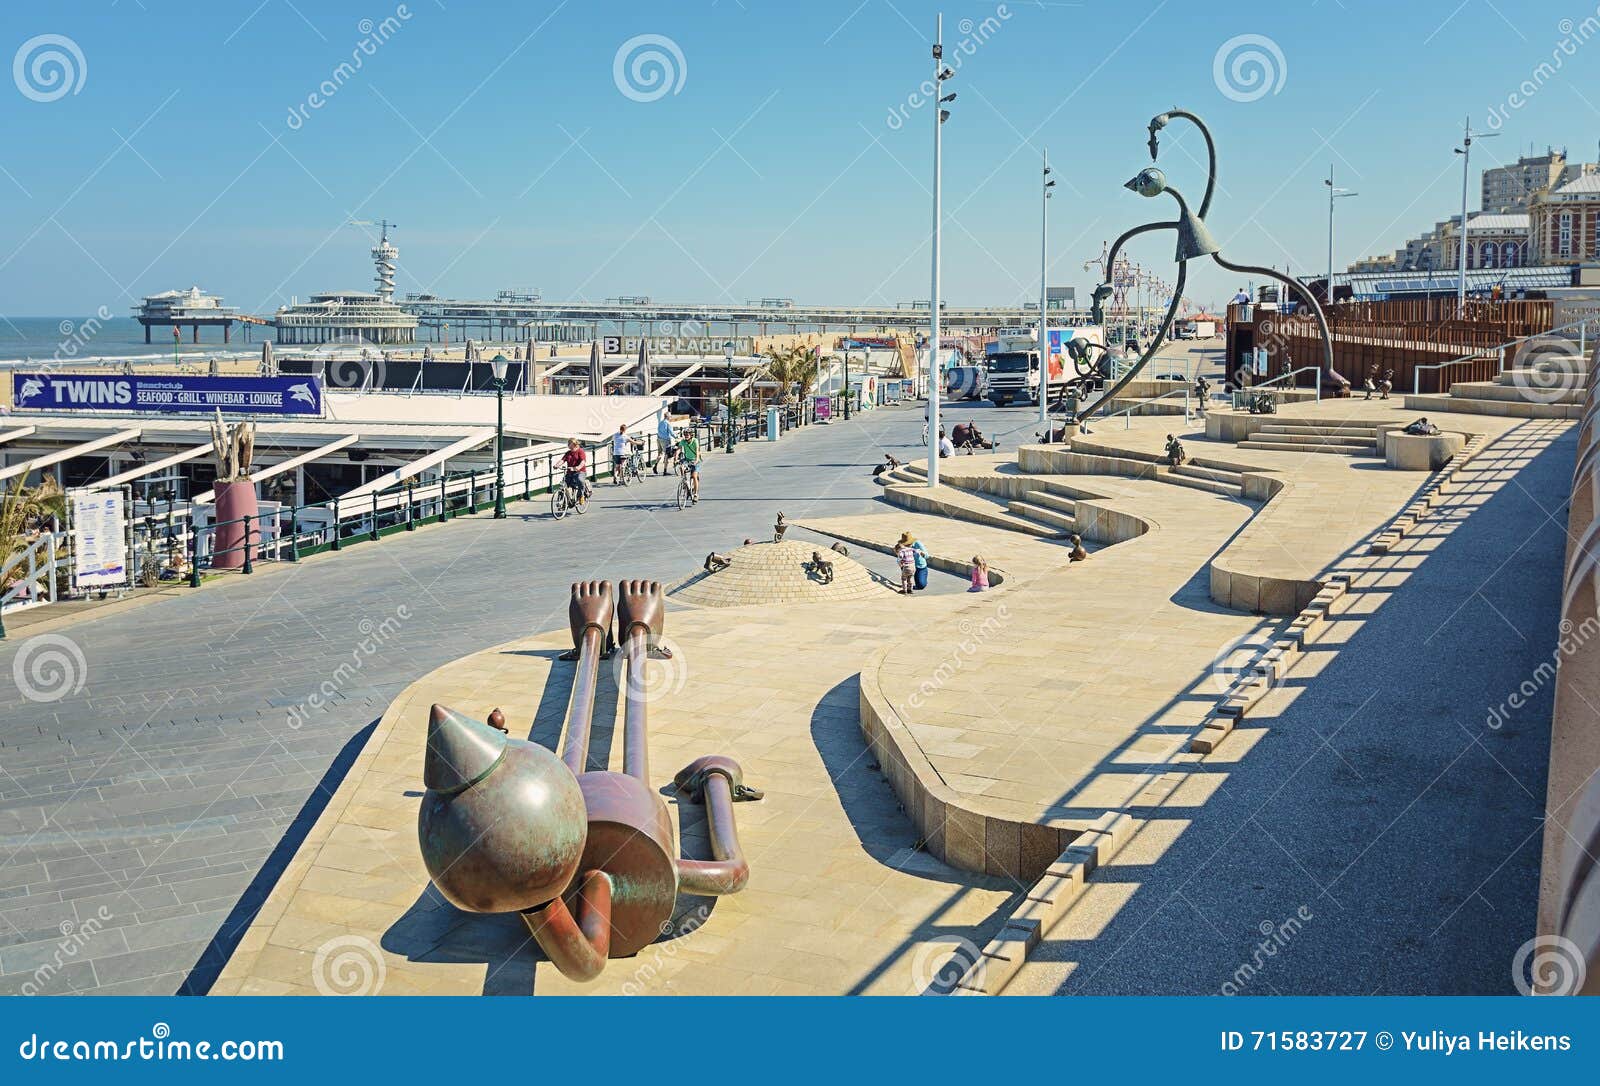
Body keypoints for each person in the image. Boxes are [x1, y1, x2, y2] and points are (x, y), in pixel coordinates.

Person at [561, 438, 591, 504]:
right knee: (563, 484)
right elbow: (563, 460)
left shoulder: (580, 451)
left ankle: (580, 496)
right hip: (570, 472)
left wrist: (578, 467)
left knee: (579, 480)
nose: (568, 445)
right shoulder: (568, 453)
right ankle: (563, 502)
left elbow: (583, 461)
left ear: (574, 444)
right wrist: (556, 465)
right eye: (568, 443)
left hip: (580, 471)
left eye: (569, 443)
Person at [678, 427, 701, 502]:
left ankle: (696, 494)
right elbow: (679, 449)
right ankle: (685, 482)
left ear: (691, 435)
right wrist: (675, 459)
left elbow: (697, 451)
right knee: (681, 467)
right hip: (687, 459)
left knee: (694, 476)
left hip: (695, 460)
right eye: (685, 434)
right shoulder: (683, 441)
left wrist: (697, 460)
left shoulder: (695, 441)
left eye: (688, 434)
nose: (686, 435)